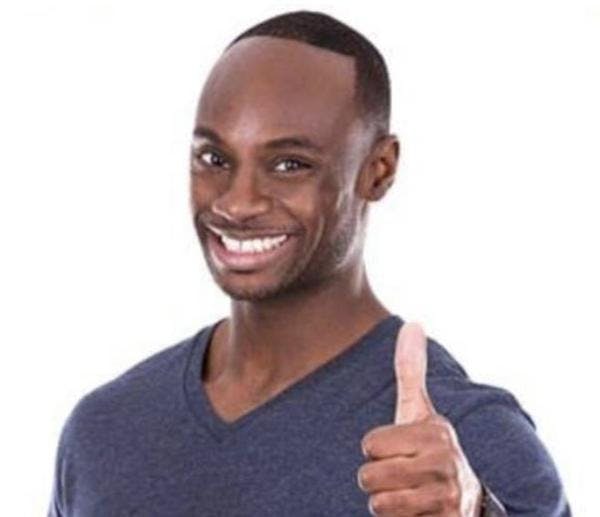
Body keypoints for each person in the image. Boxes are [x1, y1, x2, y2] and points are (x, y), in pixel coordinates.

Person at [47, 10, 571, 516]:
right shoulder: (104, 431)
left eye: (289, 164)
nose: (237, 203)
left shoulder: (461, 449)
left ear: (379, 170)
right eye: (214, 159)